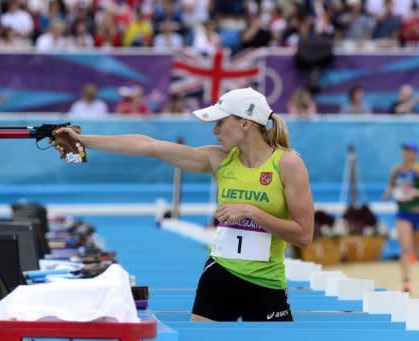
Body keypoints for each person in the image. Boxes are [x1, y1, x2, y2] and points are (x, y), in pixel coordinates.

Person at [52, 87, 314, 321]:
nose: (214, 130)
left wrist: (252, 212)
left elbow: (304, 236)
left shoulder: (287, 164)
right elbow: (149, 146)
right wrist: (84, 141)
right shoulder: (218, 159)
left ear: (245, 124)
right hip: (219, 275)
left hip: (267, 283)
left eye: (220, 122)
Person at [382, 142, 419, 293]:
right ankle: (406, 280)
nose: (405, 154)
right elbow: (391, 185)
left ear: (414, 154)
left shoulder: (417, 171)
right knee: (405, 248)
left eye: (408, 151)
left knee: (416, 250)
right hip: (403, 213)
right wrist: (388, 193)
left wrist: (414, 193)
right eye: (404, 151)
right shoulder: (396, 171)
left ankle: (412, 267)